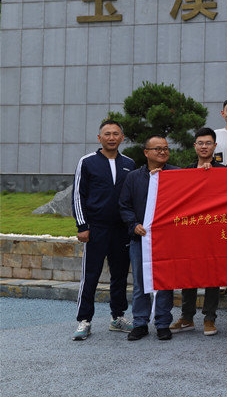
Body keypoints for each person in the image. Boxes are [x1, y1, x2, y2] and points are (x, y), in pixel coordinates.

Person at [72, 119, 135, 340]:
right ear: (99, 138)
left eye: (116, 134)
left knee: (120, 275)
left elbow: (133, 196)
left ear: (122, 138)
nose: (111, 138)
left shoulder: (129, 163)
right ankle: (84, 320)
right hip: (96, 228)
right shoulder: (87, 162)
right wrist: (82, 226)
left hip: (121, 230)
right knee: (90, 275)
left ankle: (118, 317)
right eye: (107, 134)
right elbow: (78, 195)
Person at [119, 136, 180, 341]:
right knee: (140, 282)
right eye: (157, 148)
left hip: (167, 239)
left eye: (166, 148)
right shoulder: (134, 177)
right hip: (141, 239)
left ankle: (163, 323)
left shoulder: (177, 175)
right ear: (146, 152)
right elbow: (124, 205)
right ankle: (140, 323)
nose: (162, 152)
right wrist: (133, 224)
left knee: (165, 282)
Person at [170, 127, 224, 336]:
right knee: (189, 273)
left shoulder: (224, 171)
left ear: (215, 146)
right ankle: (187, 317)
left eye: (208, 143)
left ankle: (209, 318)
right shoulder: (186, 171)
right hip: (191, 231)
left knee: (212, 275)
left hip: (214, 231)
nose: (204, 147)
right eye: (200, 143)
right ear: (194, 146)